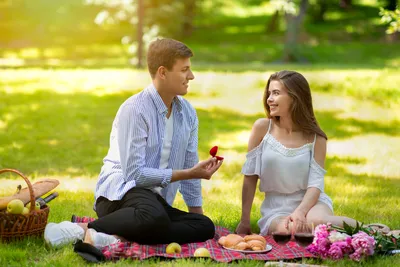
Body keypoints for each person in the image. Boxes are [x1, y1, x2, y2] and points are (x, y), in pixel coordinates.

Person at [44, 38, 223, 248]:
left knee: (205, 227)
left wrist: (195, 217)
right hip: (119, 195)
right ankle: (81, 230)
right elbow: (135, 174)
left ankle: (116, 236)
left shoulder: (188, 114)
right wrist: (189, 173)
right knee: (154, 218)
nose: (191, 76)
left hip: (155, 203)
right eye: (184, 70)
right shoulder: (135, 109)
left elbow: (191, 168)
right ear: (163, 72)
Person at [235, 70, 358, 236]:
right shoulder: (262, 129)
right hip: (276, 209)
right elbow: (250, 177)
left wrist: (300, 212)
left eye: (276, 93)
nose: (269, 99)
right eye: (269, 93)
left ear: (295, 97)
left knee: (317, 223)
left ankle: (371, 231)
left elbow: (315, 184)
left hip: (312, 203)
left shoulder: (317, 138)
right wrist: (244, 221)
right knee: (293, 231)